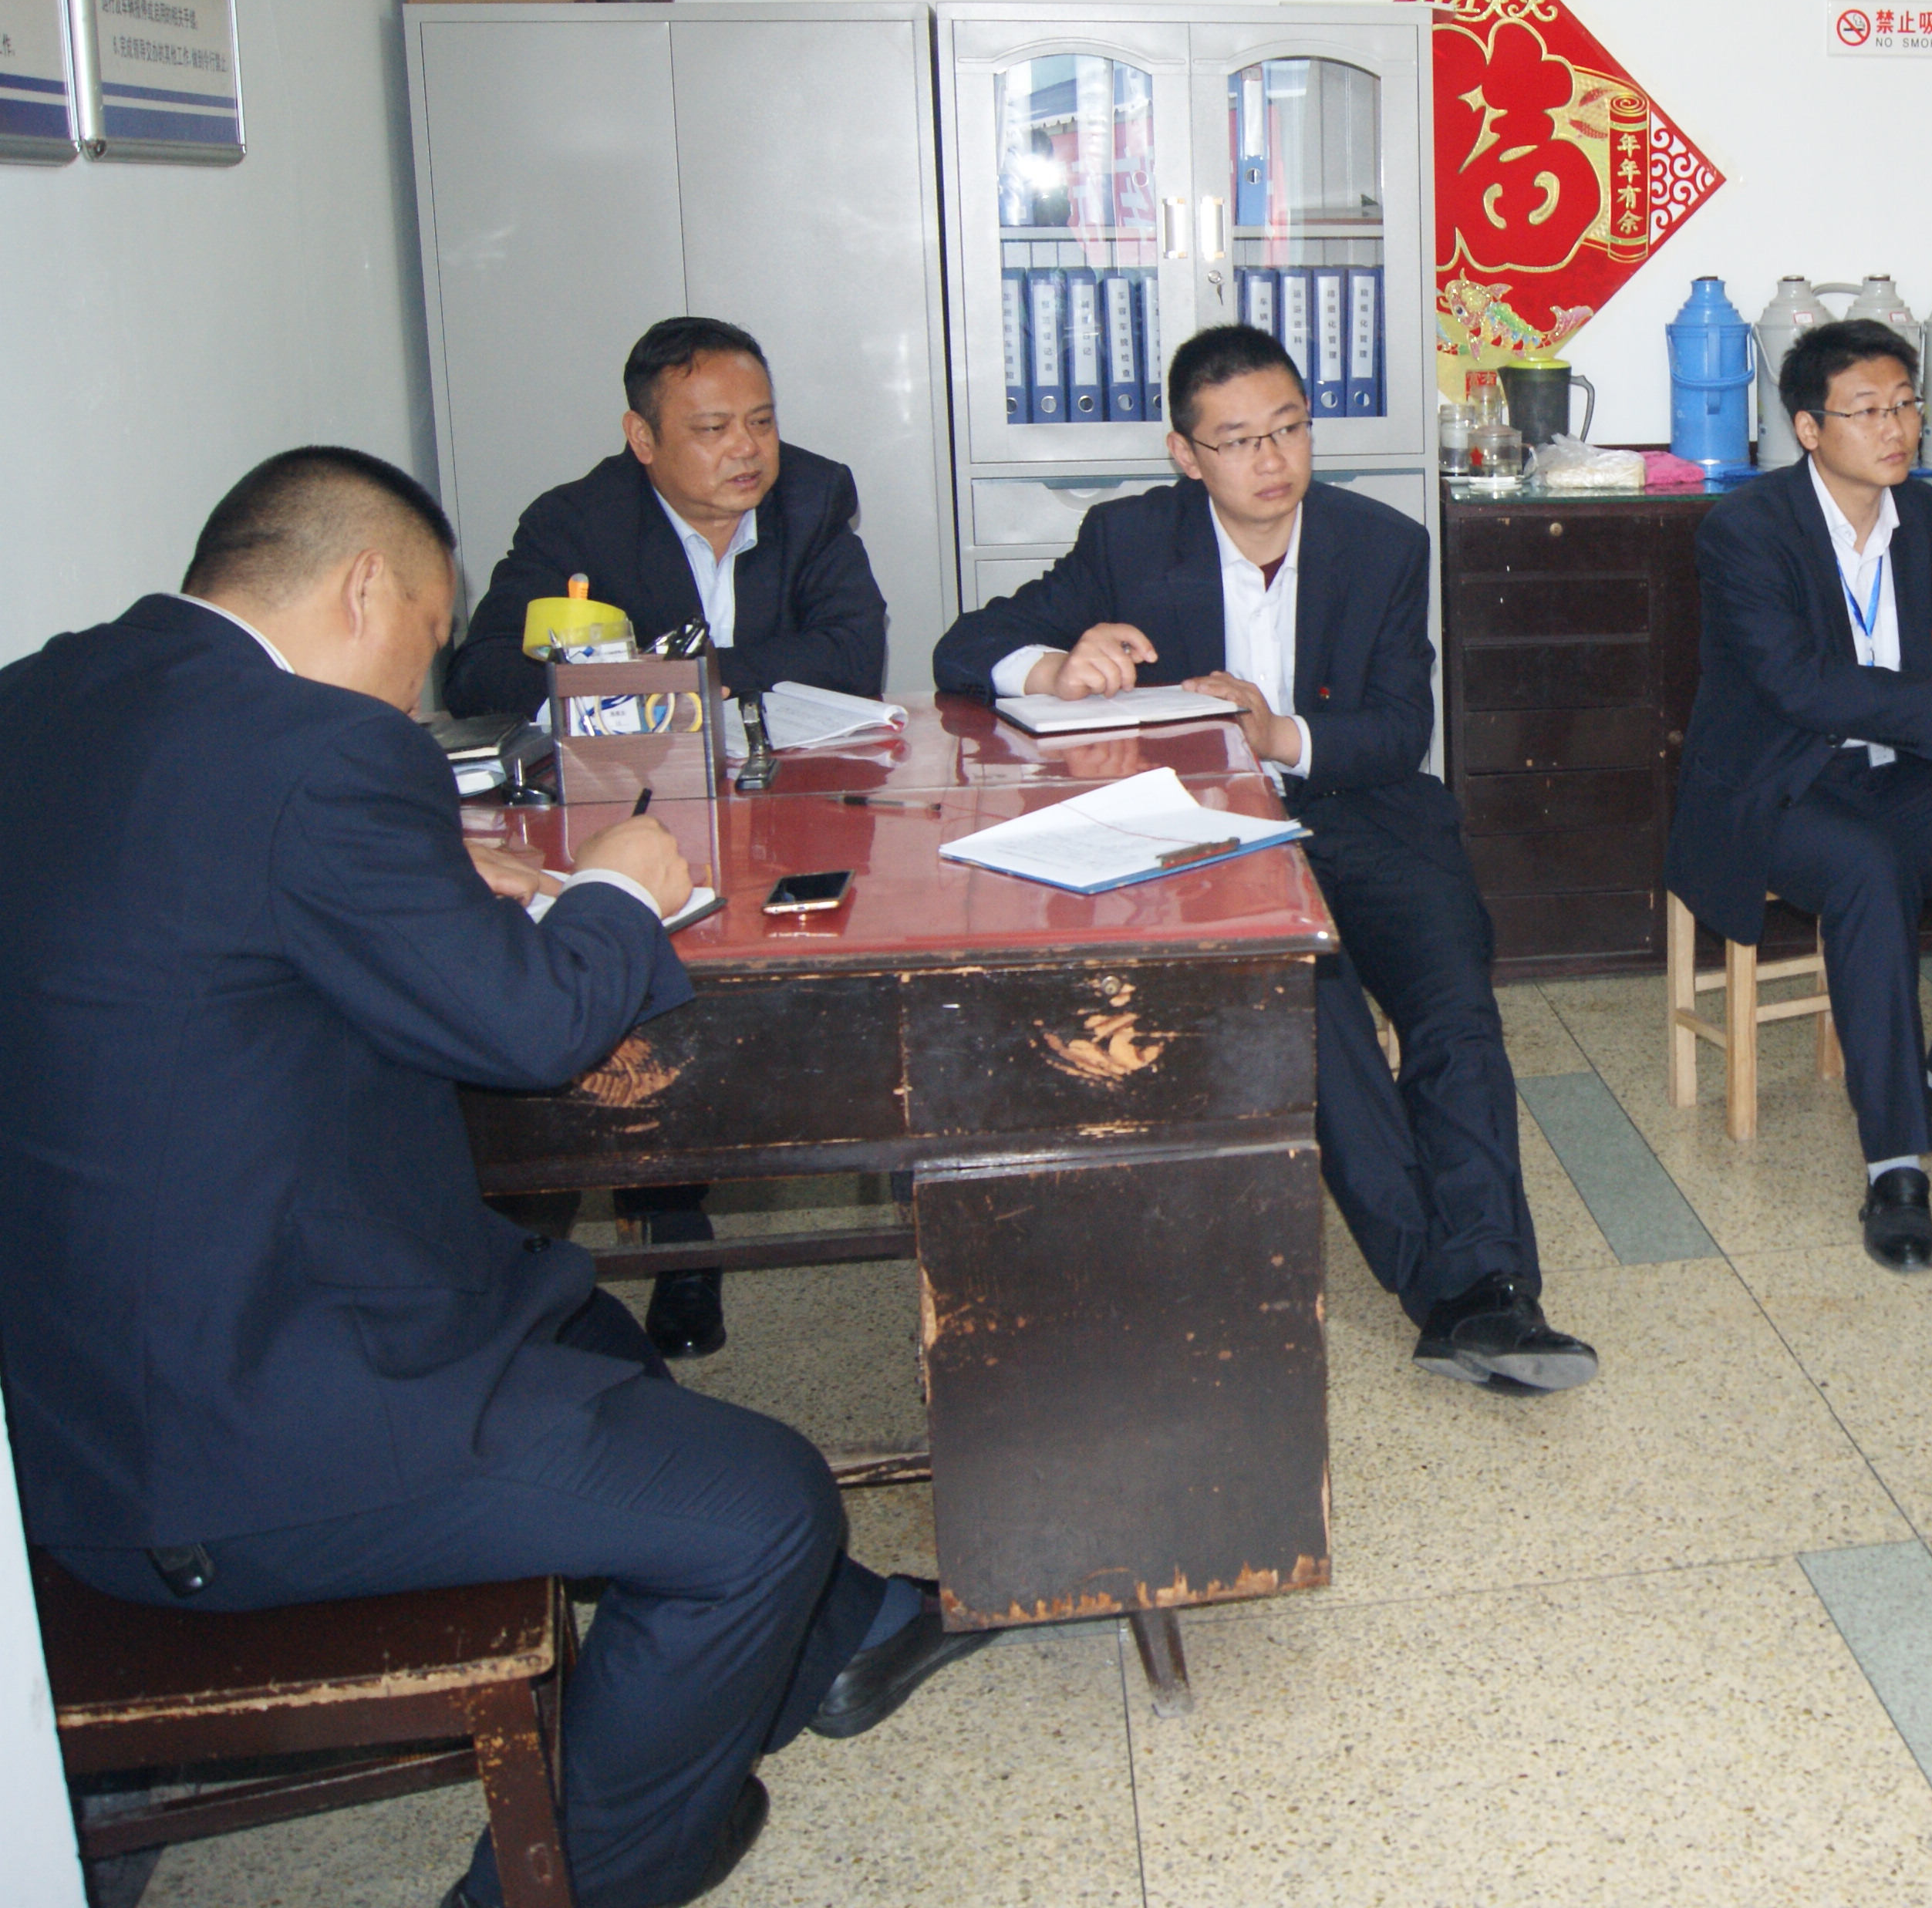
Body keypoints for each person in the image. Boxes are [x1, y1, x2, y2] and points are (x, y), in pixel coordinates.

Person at [0, 448, 986, 1908]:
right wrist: (622, 883)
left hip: (73, 1403)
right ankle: (575, 1878)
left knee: (569, 1309)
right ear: (362, 587)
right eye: (422, 636)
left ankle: (825, 1647)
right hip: (232, 1440)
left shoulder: (47, 696)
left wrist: (424, 876)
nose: (417, 687)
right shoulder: (317, 750)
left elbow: (200, 906)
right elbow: (530, 1030)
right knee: (767, 1506)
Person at [931, 324, 1597, 1395]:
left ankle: (1483, 1279)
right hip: (1208, 833)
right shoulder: (1128, 540)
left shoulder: (1382, 544)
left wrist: (1274, 731)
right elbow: (963, 647)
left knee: (1454, 1006)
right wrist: (1055, 665)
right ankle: (1466, 1294)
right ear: (1184, 454)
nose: (1271, 459)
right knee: (1316, 1009)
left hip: (1366, 812)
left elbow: (1398, 729)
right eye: (1238, 440)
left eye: (1288, 429)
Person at [445, 315, 892, 1360]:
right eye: (712, 428)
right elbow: (479, 671)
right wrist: (667, 689)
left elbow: (850, 654)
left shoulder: (814, 496)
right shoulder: (575, 522)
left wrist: (659, 677)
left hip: (789, 801)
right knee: (654, 982)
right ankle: (680, 1228)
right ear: (642, 438)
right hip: (633, 813)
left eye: (761, 422)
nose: (748, 450)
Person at [1667, 320, 1932, 1273]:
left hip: (1891, 766)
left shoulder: (1929, 519)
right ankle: (1894, 1165)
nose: (1896, 427)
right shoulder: (1745, 531)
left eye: (1906, 404)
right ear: (1808, 428)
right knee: (1870, 874)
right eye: (1867, 410)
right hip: (1776, 781)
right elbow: (1796, 684)